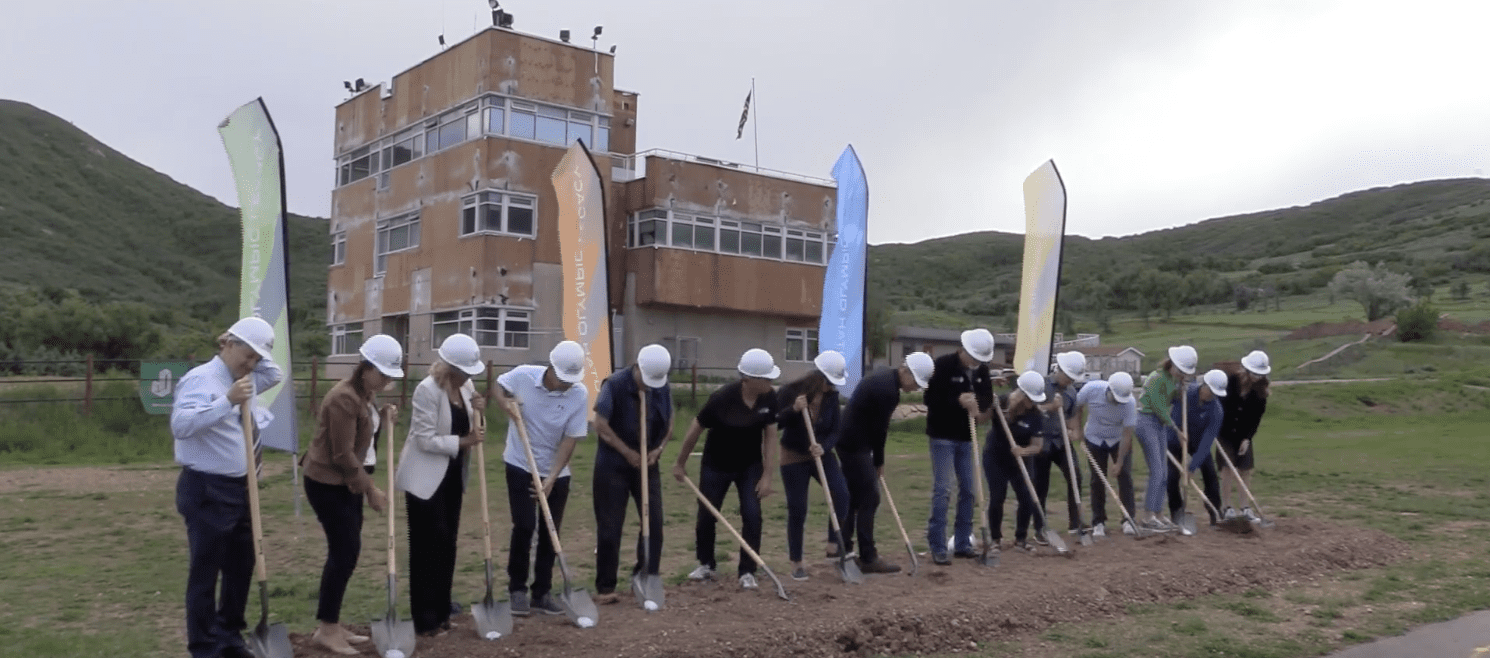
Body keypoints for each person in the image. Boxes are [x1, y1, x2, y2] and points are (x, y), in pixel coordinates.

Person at [171, 316, 282, 658]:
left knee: (241, 565)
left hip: (241, 488)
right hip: (207, 488)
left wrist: (257, 352)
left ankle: (230, 636)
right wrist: (228, 401)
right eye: (246, 355)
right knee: (206, 572)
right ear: (228, 345)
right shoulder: (201, 380)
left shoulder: (242, 377)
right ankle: (204, 647)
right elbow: (182, 425)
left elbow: (274, 374)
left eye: (255, 359)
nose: (251, 364)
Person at [301, 334, 402, 654]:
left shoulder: (365, 394)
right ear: (366, 367)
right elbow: (343, 454)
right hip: (327, 483)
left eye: (390, 377)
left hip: (345, 482)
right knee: (344, 551)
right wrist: (370, 490)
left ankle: (332, 624)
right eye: (383, 375)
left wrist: (383, 422)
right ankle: (327, 630)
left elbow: (363, 441)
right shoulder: (343, 398)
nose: (387, 381)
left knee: (348, 551)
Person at [394, 333, 486, 636]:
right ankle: (424, 617)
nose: (469, 377)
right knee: (426, 545)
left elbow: (472, 423)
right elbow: (424, 439)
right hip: (424, 477)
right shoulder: (427, 390)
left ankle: (443, 609)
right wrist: (463, 441)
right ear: (451, 368)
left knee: (447, 543)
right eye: (465, 371)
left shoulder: (467, 386)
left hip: (452, 476)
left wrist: (478, 411)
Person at [493, 341, 589, 616]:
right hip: (520, 463)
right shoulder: (523, 375)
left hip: (556, 470)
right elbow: (498, 387)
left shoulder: (579, 394)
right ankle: (517, 590)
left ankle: (542, 592)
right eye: (563, 379)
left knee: (550, 531)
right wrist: (506, 406)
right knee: (524, 526)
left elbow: (571, 439)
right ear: (551, 369)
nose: (567, 385)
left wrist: (552, 478)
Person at [673, 348, 780, 591]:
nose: (771, 382)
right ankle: (706, 564)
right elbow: (694, 431)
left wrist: (767, 475)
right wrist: (680, 463)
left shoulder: (769, 398)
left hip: (749, 466)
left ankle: (747, 571)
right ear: (748, 379)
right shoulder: (721, 399)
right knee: (707, 515)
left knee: (753, 515)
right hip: (716, 465)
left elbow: (771, 435)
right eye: (766, 378)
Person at [834, 352, 934, 575]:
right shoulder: (887, 391)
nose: (916, 388)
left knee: (856, 497)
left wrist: (874, 457)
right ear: (905, 371)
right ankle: (867, 557)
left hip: (851, 441)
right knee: (870, 497)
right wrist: (878, 461)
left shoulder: (885, 379)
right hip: (854, 444)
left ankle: (843, 547)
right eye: (916, 382)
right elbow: (880, 430)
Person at [591, 344, 673, 604]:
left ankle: (646, 576)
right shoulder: (614, 385)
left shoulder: (662, 386)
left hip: (648, 462)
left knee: (654, 523)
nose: (650, 387)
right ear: (637, 367)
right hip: (613, 463)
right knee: (610, 526)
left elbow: (669, 424)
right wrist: (626, 452)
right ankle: (606, 587)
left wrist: (658, 450)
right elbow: (600, 424)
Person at [923, 328, 999, 565]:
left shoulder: (982, 371)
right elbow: (930, 399)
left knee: (969, 489)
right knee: (943, 489)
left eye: (980, 360)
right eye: (974, 358)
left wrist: (978, 405)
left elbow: (987, 397)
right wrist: (956, 401)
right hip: (942, 436)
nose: (976, 363)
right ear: (964, 350)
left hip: (967, 437)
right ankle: (937, 544)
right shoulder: (944, 365)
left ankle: (963, 542)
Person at [777, 350, 851, 581]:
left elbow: (835, 430)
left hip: (820, 454)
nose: (832, 387)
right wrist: (794, 410)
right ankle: (797, 562)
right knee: (798, 509)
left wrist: (824, 446)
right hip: (793, 456)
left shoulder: (831, 396)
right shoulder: (790, 392)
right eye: (829, 382)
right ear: (820, 377)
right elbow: (775, 422)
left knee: (841, 494)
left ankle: (832, 546)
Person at [983, 371, 1048, 553]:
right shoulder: (1000, 403)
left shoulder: (1036, 416)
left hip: (1021, 460)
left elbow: (1037, 446)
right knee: (997, 497)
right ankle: (996, 538)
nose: (1034, 403)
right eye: (1031, 398)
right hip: (995, 457)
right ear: (1022, 394)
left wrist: (1023, 451)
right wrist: (987, 403)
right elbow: (980, 419)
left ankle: (1021, 538)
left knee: (1026, 497)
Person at [1135, 345, 1196, 531]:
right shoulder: (1157, 378)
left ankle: (1159, 514)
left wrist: (1181, 392)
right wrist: (1175, 429)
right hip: (1146, 422)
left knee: (1164, 472)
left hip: (1160, 425)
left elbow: (1171, 398)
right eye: (1181, 371)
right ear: (1173, 365)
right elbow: (1157, 406)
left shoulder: (1172, 380)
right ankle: (1147, 517)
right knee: (1157, 471)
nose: (1183, 375)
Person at [1030, 351, 1087, 545]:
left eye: (1073, 378)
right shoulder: (1042, 385)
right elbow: (1030, 409)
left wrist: (1073, 431)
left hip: (1061, 442)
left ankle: (1075, 523)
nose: (1070, 381)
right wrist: (1050, 407)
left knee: (1075, 476)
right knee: (1041, 485)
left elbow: (1072, 418)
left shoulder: (1071, 392)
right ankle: (1039, 528)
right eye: (1068, 377)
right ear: (1060, 370)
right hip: (1041, 442)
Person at [1073, 371, 1138, 537]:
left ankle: (1128, 519)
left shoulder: (1130, 403)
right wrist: (1078, 429)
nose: (1117, 402)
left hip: (1117, 441)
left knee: (1125, 477)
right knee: (1097, 480)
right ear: (1108, 389)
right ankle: (1098, 522)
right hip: (1094, 439)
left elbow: (1127, 435)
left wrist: (1119, 462)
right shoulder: (1091, 389)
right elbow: (1078, 407)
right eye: (1115, 398)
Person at [1167, 369, 1227, 526]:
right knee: (1172, 477)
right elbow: (1176, 417)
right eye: (1211, 391)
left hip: (1198, 442)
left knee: (1210, 474)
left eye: (1216, 393)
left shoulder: (1216, 411)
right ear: (1204, 385)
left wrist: (1192, 467)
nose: (1212, 396)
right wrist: (1179, 433)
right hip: (1175, 438)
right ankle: (1177, 513)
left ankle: (1215, 512)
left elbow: (1207, 441)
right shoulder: (1186, 394)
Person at [1215, 351, 1270, 521]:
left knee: (1245, 469)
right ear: (1245, 370)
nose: (1256, 377)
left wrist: (1247, 439)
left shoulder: (1261, 392)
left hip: (1243, 436)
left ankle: (1245, 508)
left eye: (1260, 374)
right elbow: (1219, 407)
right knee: (1227, 469)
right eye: (1254, 373)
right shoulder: (1230, 383)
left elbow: (1255, 419)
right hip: (1224, 432)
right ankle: (1227, 508)